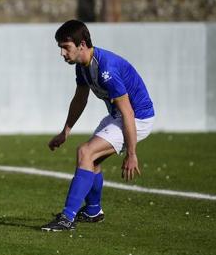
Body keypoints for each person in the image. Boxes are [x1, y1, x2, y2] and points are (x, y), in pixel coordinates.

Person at [41, 19, 154, 232]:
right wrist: (66, 131)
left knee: (85, 152)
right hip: (119, 116)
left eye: (66, 48)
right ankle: (93, 211)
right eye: (61, 48)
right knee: (91, 159)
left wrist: (132, 153)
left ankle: (67, 218)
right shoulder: (83, 67)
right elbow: (80, 99)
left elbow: (128, 111)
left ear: (82, 44)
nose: (63, 54)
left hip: (137, 119)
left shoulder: (106, 70)